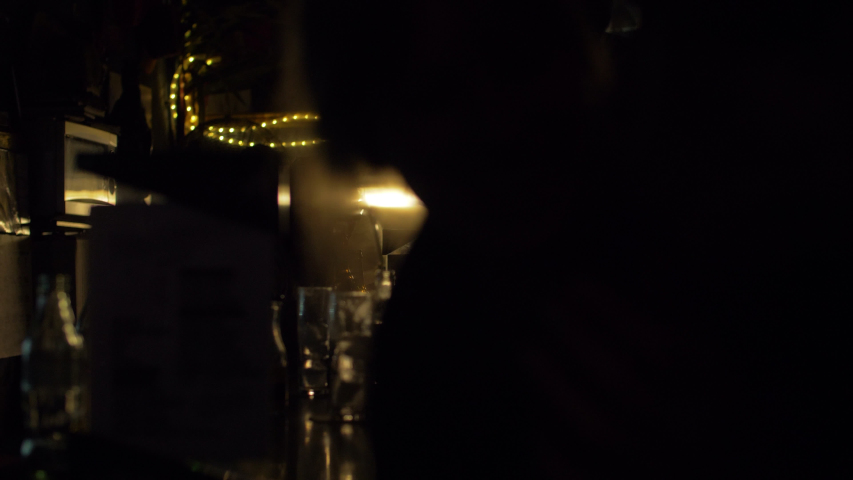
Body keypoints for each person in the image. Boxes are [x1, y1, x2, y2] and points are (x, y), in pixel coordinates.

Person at [302, 1, 847, 478]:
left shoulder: (745, 252)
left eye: (520, 61)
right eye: (436, 94)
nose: (501, 124)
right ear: (369, 126)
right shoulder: (436, 324)